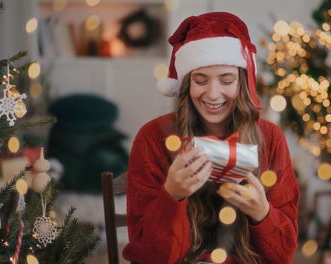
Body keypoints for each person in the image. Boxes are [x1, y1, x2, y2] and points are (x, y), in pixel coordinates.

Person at [123, 12, 299, 264]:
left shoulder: (269, 138)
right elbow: (151, 256)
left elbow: (282, 255)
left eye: (226, 80)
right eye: (200, 80)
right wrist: (172, 195)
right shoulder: (155, 138)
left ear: (242, 84)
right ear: (186, 85)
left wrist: (262, 213)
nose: (213, 94)